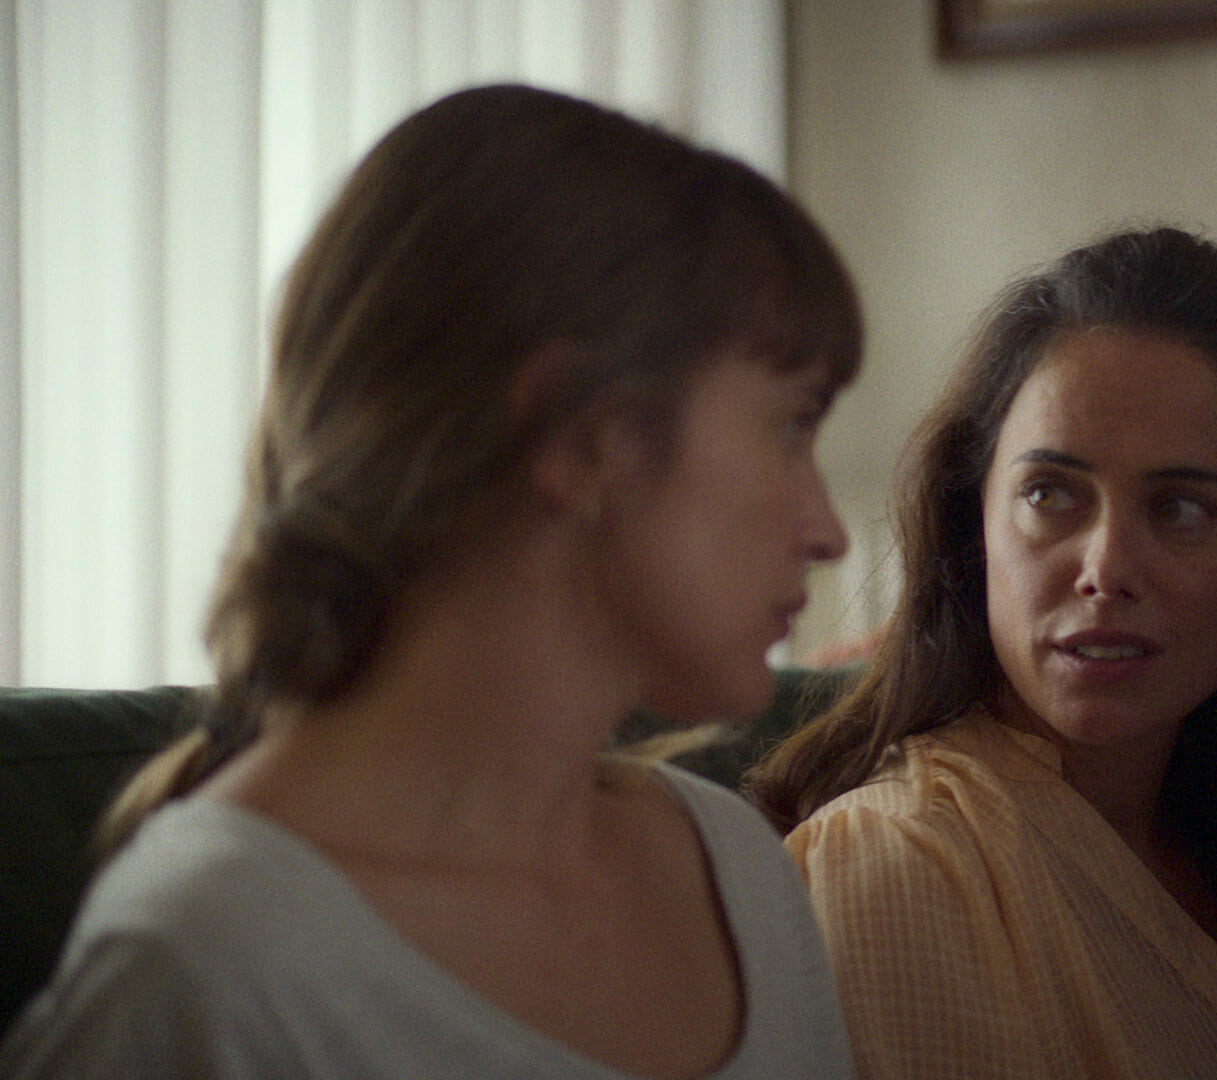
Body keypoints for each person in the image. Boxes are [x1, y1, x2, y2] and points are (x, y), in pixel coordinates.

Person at [2, 84, 862, 1079]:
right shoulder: (206, 968)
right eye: (792, 425)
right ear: (582, 434)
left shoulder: (740, 876)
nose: (829, 531)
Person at [750, 227, 1217, 1079]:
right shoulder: (897, 869)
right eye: (1050, 494)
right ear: (973, 526)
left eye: (1180, 509)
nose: (1105, 569)